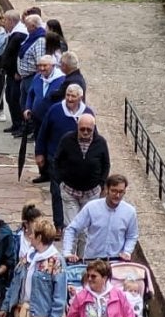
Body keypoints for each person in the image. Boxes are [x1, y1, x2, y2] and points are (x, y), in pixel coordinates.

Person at [36, 84, 93, 223]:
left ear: (80, 97)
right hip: (55, 158)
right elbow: (43, 132)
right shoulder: (55, 110)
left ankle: (75, 223)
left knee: (75, 195)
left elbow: (93, 137)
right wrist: (39, 152)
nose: (69, 98)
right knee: (56, 192)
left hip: (77, 162)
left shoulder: (87, 113)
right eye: (68, 95)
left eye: (73, 96)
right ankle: (59, 225)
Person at [63, 175, 138, 262]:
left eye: (121, 192)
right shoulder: (92, 207)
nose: (117, 195)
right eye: (114, 191)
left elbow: (132, 236)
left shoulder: (130, 212)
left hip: (116, 262)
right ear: (106, 189)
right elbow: (72, 229)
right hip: (93, 261)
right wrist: (67, 252)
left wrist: (127, 252)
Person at [53, 114, 109, 228]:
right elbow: (57, 160)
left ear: (94, 128)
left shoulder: (101, 142)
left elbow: (106, 164)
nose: (85, 132)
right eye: (82, 129)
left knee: (85, 230)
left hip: (91, 193)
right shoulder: (67, 139)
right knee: (72, 227)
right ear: (77, 127)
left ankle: (82, 247)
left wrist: (101, 184)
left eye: (89, 130)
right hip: (69, 191)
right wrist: (60, 181)